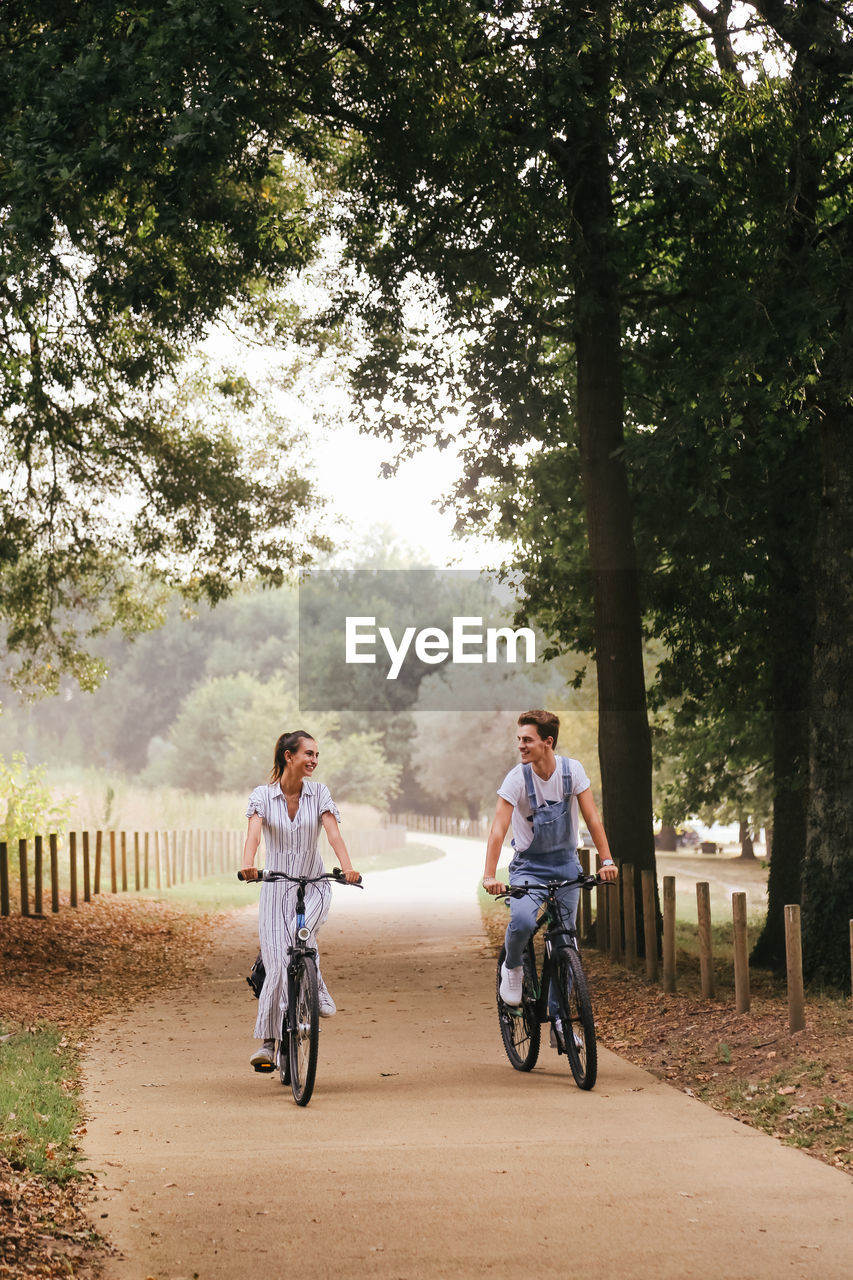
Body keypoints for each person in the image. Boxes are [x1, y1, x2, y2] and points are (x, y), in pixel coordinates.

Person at [482, 709, 618, 1047]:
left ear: (548, 742)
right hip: (528, 866)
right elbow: (499, 827)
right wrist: (489, 875)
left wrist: (606, 859)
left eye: (527, 740)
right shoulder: (517, 779)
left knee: (565, 943)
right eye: (519, 740)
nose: (521, 746)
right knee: (524, 922)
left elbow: (592, 817)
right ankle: (512, 968)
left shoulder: (573, 773)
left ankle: (559, 1022)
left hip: (565, 864)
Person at [241, 729, 360, 1072]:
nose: (314, 760)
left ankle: (312, 985)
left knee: (299, 939)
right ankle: (270, 1042)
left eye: (317, 755)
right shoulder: (262, 796)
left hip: (314, 886)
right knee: (278, 963)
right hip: (276, 889)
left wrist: (348, 868)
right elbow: (253, 833)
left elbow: (333, 832)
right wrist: (249, 863)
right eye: (308, 754)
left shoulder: (319, 793)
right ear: (288, 756)